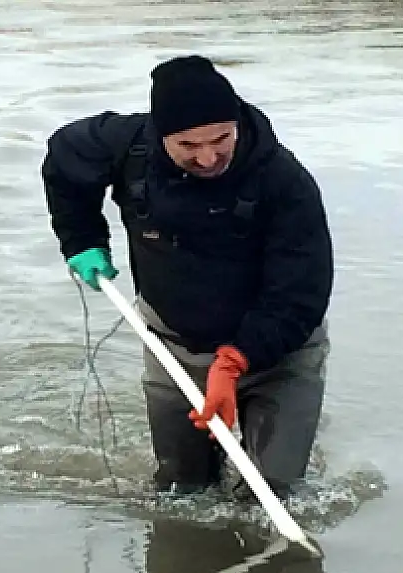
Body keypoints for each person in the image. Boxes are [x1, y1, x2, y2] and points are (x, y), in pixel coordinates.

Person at [41, 55, 333, 499]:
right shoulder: (125, 146)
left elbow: (300, 295)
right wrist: (81, 239)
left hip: (279, 357)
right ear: (161, 136)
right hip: (173, 349)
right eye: (189, 146)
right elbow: (64, 158)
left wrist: (234, 362)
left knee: (270, 493)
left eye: (221, 139)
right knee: (182, 493)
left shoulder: (284, 181)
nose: (210, 156)